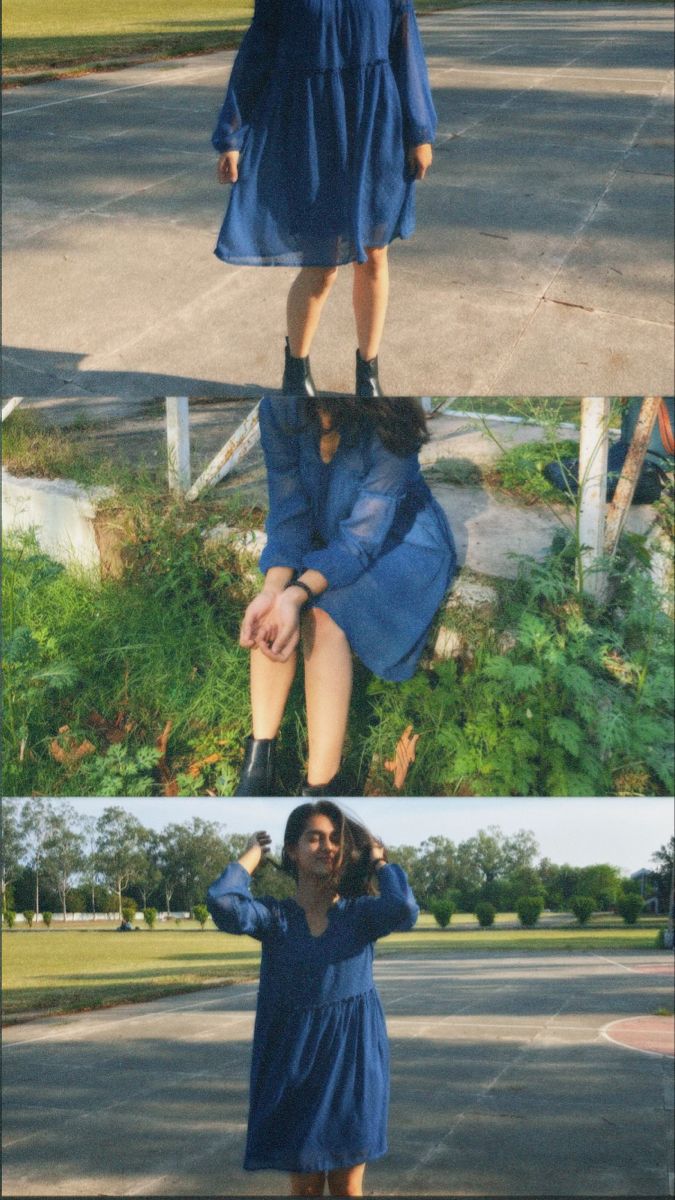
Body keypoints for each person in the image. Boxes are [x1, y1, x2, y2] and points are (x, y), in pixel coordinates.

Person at [212, 0, 437, 397]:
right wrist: (233, 135)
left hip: (376, 123)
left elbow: (406, 49)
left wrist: (419, 131)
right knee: (321, 262)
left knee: (375, 254)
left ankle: (368, 375)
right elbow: (257, 53)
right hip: (311, 128)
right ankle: (296, 375)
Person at [236, 398, 457, 797]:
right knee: (274, 609)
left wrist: (299, 594)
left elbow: (362, 541)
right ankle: (257, 767)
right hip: (333, 529)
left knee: (321, 617)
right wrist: (274, 591)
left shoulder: (393, 422)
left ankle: (321, 788)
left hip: (398, 541)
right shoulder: (281, 407)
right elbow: (288, 515)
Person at [206, 803, 419, 1197]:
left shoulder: (360, 917)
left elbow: (404, 909)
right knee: (304, 1188)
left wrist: (378, 862)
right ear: (292, 849)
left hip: (352, 1061)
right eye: (315, 837)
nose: (327, 846)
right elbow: (223, 903)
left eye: (336, 838)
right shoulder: (275, 918)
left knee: (347, 1188)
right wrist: (252, 854)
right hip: (295, 1062)